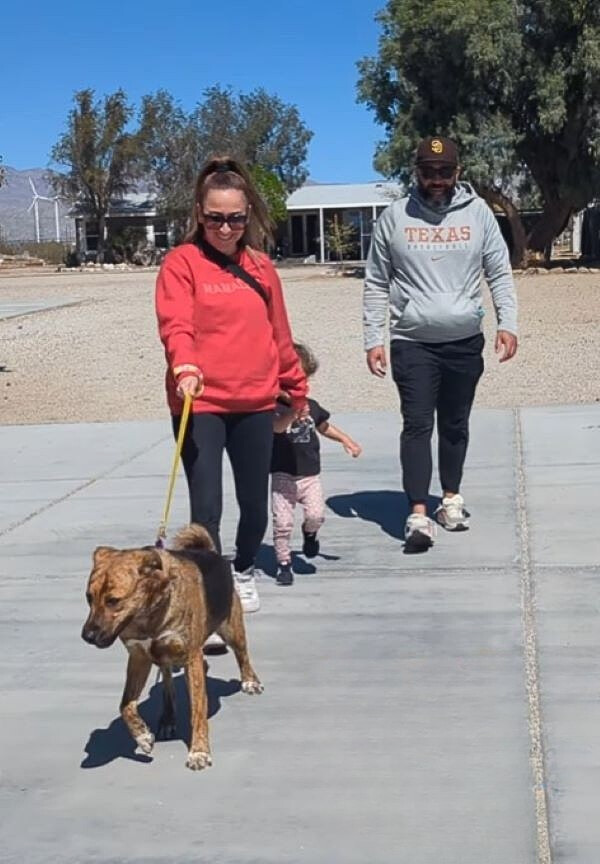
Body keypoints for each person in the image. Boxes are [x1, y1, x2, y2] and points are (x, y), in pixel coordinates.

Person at [155, 156, 308, 612]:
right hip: (200, 402)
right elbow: (176, 324)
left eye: (235, 218)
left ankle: (242, 569)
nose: (225, 228)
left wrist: (297, 391)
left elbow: (280, 334)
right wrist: (185, 366)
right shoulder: (181, 263)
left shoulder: (261, 268)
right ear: (199, 214)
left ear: (248, 216)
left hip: (255, 402)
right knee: (207, 507)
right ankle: (211, 591)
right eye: (215, 218)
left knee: (254, 505)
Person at [363, 136, 518, 553]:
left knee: (454, 424)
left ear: (457, 172)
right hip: (412, 340)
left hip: (464, 340)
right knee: (417, 424)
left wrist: (508, 323)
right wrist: (373, 338)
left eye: (444, 172)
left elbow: (499, 272)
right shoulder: (395, 217)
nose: (436, 180)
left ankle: (450, 499)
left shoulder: (479, 214)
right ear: (416, 172)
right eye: (429, 172)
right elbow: (376, 281)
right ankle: (417, 512)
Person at [271, 343, 362, 585]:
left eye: (300, 382)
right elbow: (276, 428)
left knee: (316, 515)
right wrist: (292, 413)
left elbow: (324, 427)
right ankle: (284, 564)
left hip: (309, 476)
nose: (293, 389)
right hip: (282, 475)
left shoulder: (312, 406)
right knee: (282, 523)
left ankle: (310, 534)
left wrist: (346, 440)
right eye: (286, 383)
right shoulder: (273, 407)